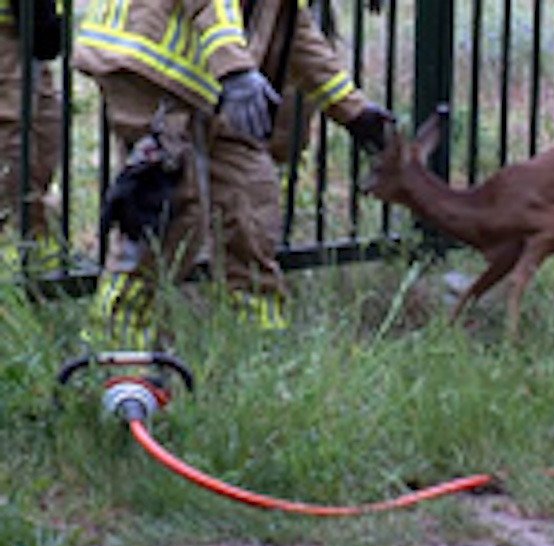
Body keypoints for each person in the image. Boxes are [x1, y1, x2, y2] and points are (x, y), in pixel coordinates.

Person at [74, 0, 392, 349]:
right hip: (150, 61)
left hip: (212, 80)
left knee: (250, 199)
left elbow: (291, 27)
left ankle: (260, 341)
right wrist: (235, 69)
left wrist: (352, 109)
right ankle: (117, 337)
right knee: (171, 209)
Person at [0, 0, 64, 274]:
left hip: (27, 28)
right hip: (9, 31)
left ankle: (34, 235)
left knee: (46, 131)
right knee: (14, 141)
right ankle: (22, 238)